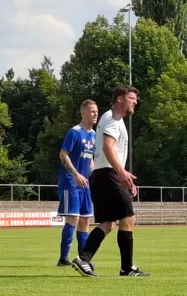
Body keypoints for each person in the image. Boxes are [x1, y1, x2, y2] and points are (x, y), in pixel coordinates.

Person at [72, 85, 150, 277]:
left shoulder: (112, 118)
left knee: (108, 223)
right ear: (120, 99)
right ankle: (127, 268)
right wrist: (121, 173)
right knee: (127, 218)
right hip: (108, 175)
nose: (135, 102)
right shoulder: (114, 119)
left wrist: (123, 173)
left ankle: (84, 258)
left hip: (102, 174)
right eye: (132, 98)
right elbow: (108, 147)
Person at [56, 100, 98, 267]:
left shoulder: (94, 135)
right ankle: (63, 259)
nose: (95, 114)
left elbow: (90, 161)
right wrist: (76, 174)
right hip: (70, 182)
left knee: (85, 220)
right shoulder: (74, 132)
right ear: (83, 113)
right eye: (92, 111)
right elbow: (63, 154)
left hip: (85, 184)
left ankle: (83, 259)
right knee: (73, 218)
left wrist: (94, 178)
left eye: (96, 111)